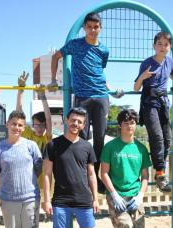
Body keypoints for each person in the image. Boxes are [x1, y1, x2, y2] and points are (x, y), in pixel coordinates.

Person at [50, 12, 123, 194]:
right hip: (83, 97)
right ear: (84, 28)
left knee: (99, 139)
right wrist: (53, 80)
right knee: (81, 137)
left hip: (101, 96)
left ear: (101, 28)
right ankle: (81, 177)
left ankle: (96, 177)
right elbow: (56, 57)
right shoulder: (75, 45)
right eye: (89, 27)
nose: (92, 30)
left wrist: (111, 89)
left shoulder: (104, 50)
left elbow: (99, 72)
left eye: (96, 27)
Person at [42, 108, 106, 228]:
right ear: (66, 120)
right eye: (73, 120)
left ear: (83, 125)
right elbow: (47, 174)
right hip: (61, 199)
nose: (75, 124)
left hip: (83, 199)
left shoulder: (87, 146)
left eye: (79, 122)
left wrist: (95, 198)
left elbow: (92, 174)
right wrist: (46, 200)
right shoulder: (53, 145)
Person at [133, 31, 173, 192]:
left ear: (170, 47)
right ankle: (160, 174)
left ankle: (160, 171)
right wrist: (144, 76)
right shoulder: (147, 63)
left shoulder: (170, 62)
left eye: (165, 44)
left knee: (167, 139)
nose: (162, 47)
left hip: (163, 103)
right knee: (157, 137)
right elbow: (136, 87)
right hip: (149, 103)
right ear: (154, 46)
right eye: (159, 44)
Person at [100, 109, 153, 228]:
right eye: (125, 122)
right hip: (117, 196)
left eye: (132, 122)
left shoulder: (140, 148)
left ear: (135, 124)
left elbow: (145, 176)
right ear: (120, 125)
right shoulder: (111, 147)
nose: (129, 125)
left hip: (135, 195)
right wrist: (114, 194)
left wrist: (140, 196)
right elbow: (104, 173)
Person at [15, 71, 52, 228]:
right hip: (25, 184)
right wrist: (21, 89)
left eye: (42, 125)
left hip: (38, 186)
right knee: (26, 221)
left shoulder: (46, 138)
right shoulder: (27, 135)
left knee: (32, 221)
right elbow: (18, 113)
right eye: (36, 124)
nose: (38, 127)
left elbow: (48, 116)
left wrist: (43, 96)